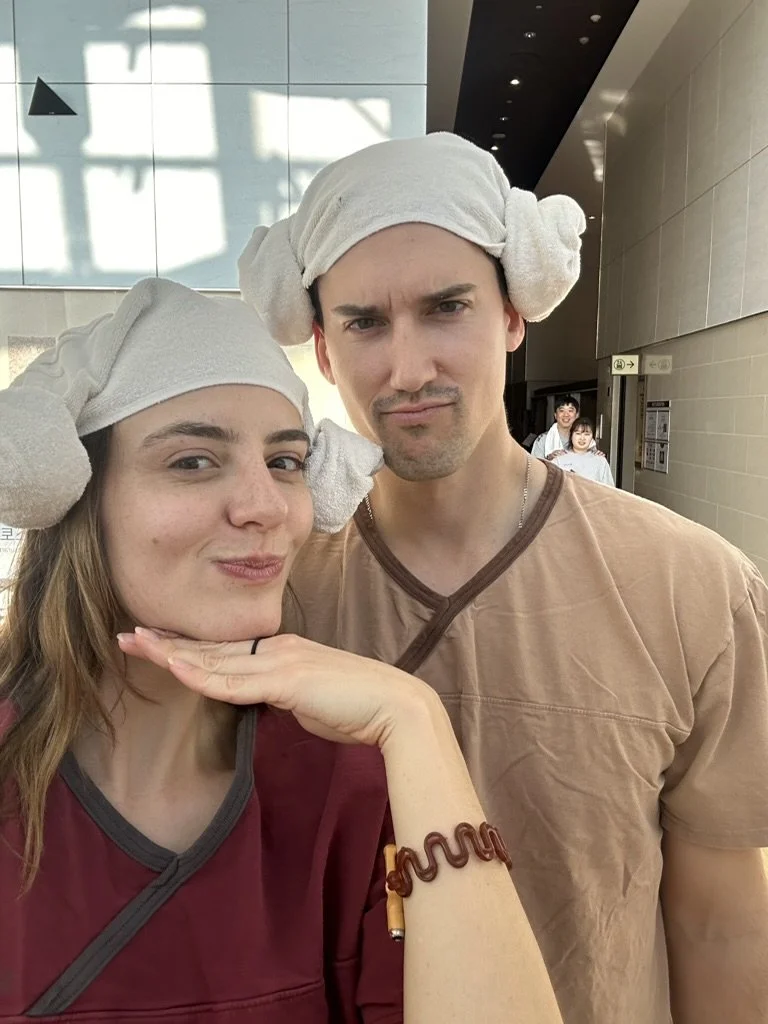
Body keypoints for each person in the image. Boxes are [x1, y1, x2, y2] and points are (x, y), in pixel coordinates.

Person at [226, 132, 768, 1023]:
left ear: (514, 314)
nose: (409, 369)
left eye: (446, 308)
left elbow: (720, 923)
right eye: (365, 323)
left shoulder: (693, 587)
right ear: (322, 348)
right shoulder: (266, 592)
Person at [0, 278, 563, 1023]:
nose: (265, 506)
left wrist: (415, 720)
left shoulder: (346, 790)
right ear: (76, 498)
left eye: (286, 462)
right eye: (193, 461)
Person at [551, 417, 615, 486]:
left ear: (592, 437)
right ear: (571, 435)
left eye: (587, 434)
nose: (582, 438)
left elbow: (609, 489)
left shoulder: (600, 461)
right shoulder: (559, 459)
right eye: (578, 433)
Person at [530, 395, 579, 460]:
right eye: (561, 410)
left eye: (570, 410)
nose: (566, 414)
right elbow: (534, 464)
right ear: (555, 415)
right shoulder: (543, 439)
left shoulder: (583, 438)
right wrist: (550, 459)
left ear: (577, 415)